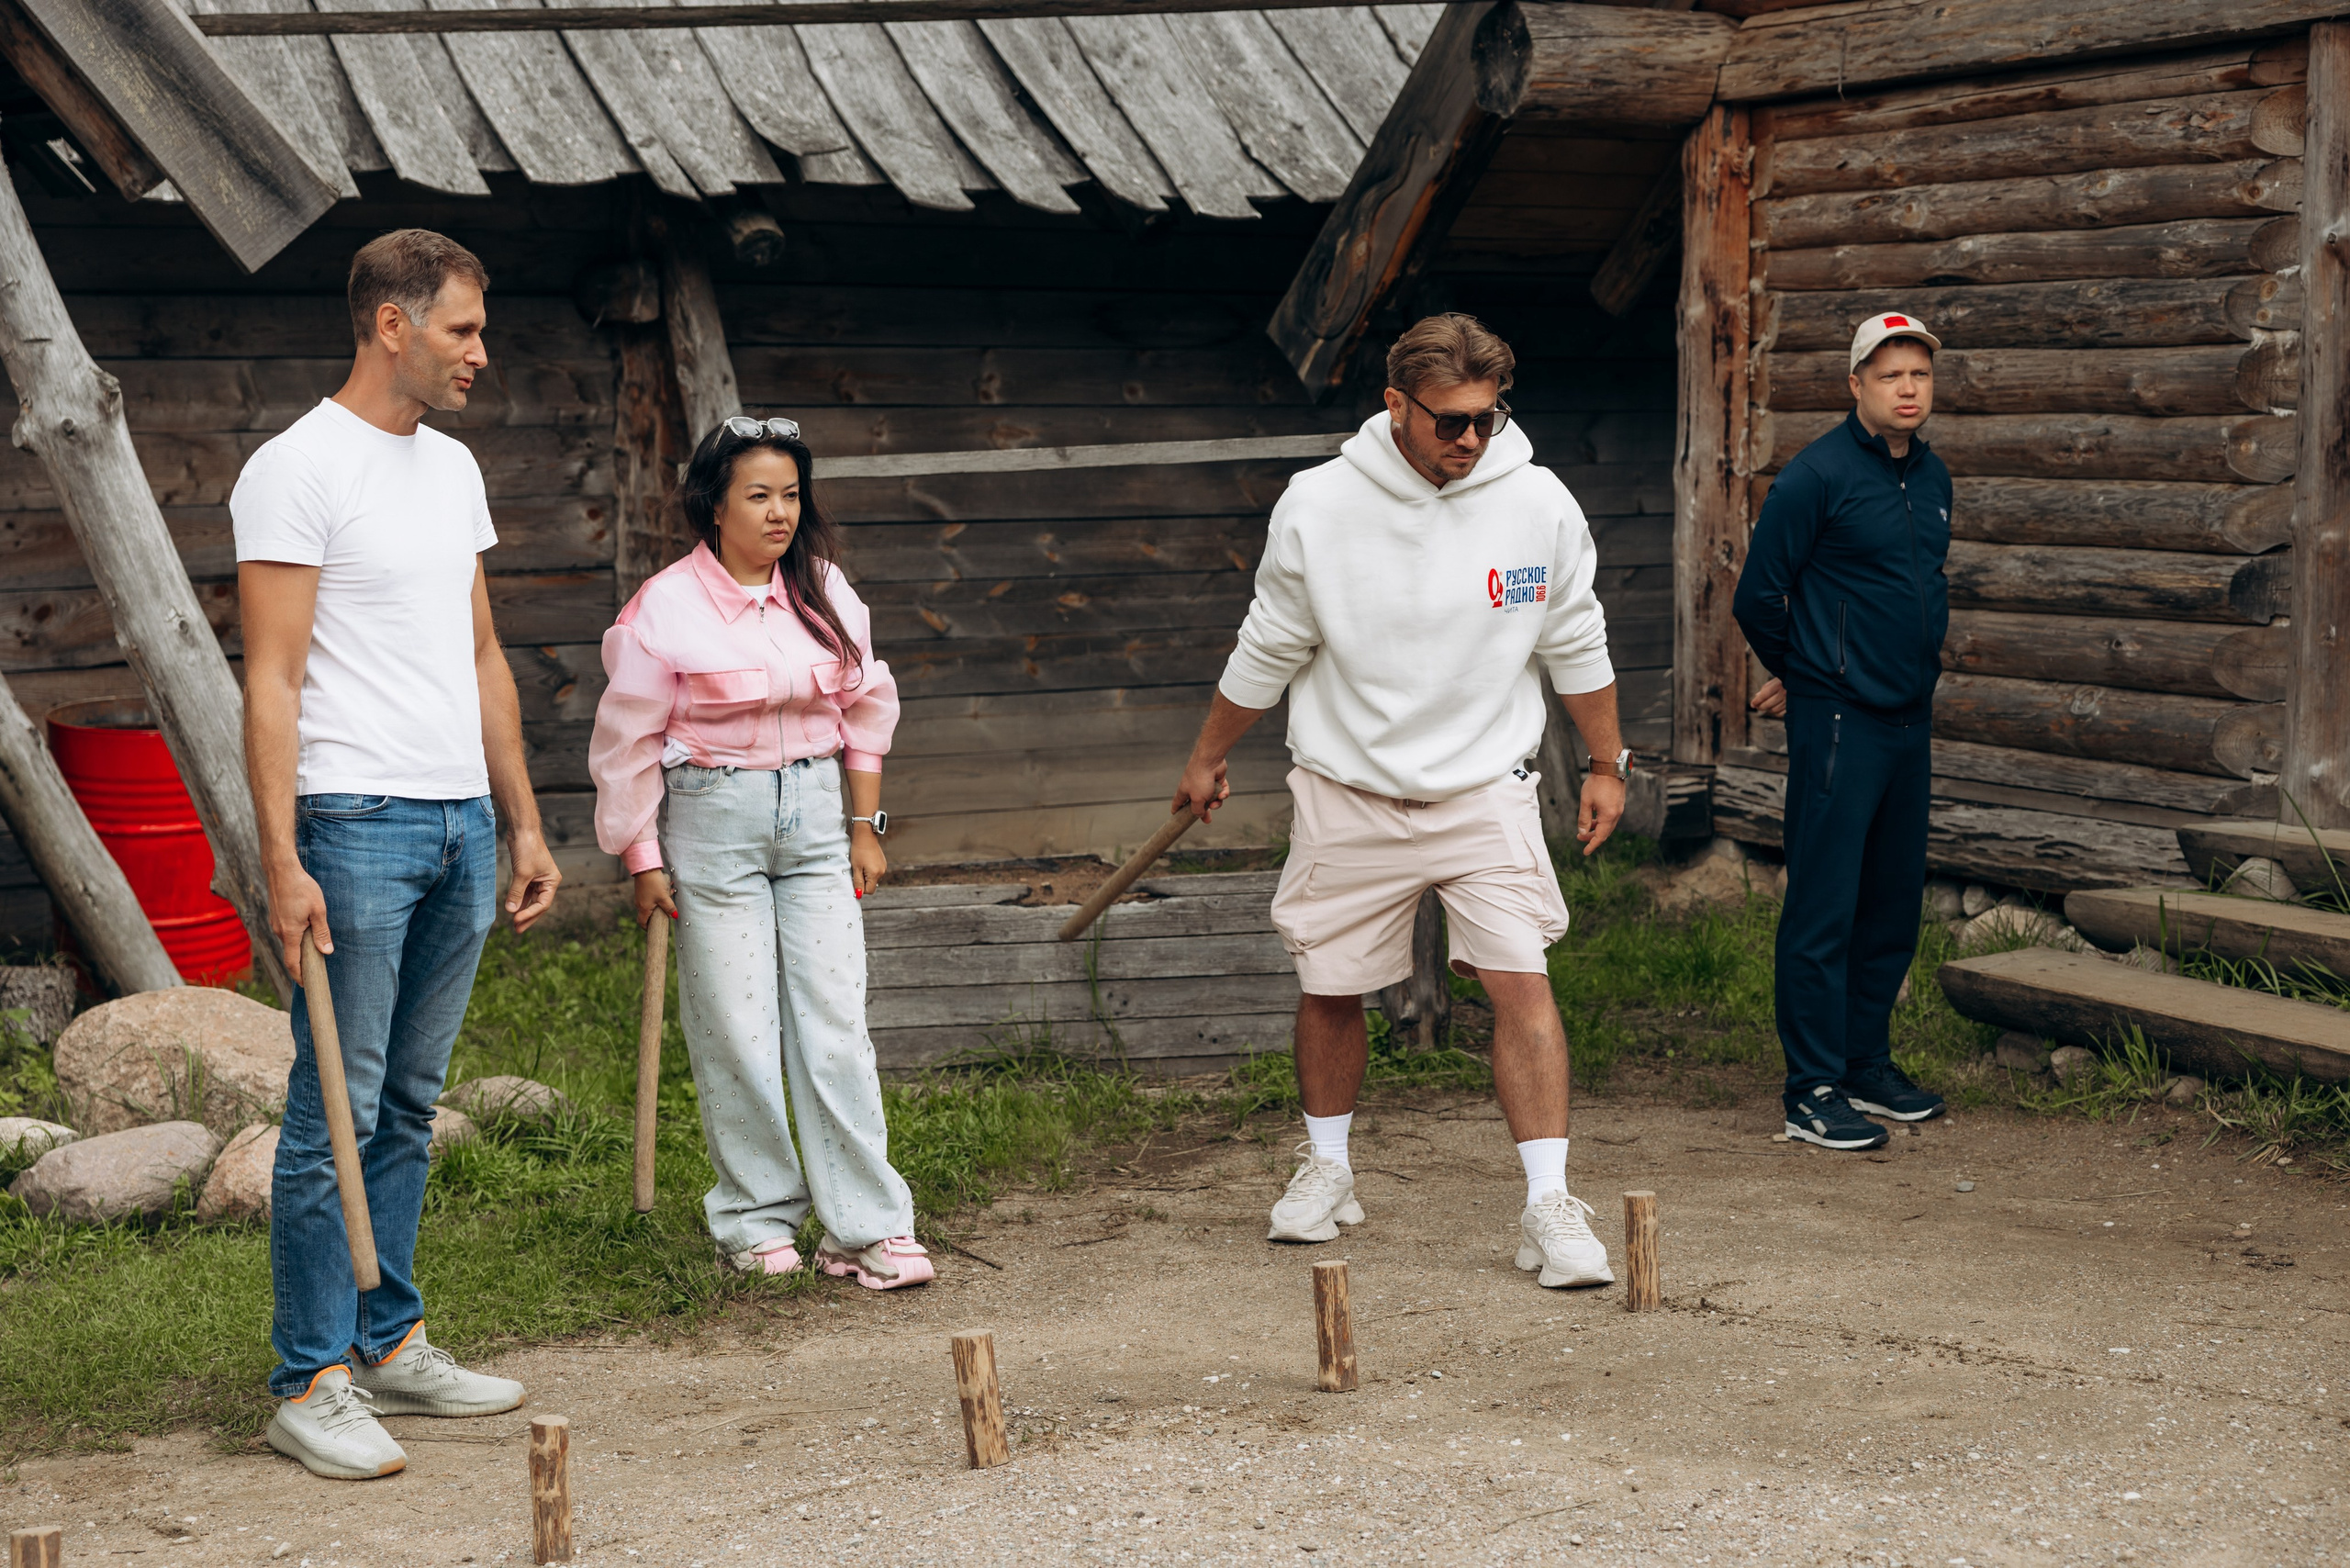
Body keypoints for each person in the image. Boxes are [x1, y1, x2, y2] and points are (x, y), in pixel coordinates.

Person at [1171, 314, 1626, 1289]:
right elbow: (1270, 642)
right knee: (1331, 984)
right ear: (1394, 406)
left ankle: (1548, 1203)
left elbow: (1575, 641)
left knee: (1521, 981)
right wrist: (1210, 754)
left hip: (1486, 787)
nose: (1469, 441)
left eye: (1487, 420)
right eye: (1449, 423)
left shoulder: (1538, 501)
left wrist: (1606, 763)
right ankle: (1327, 1172)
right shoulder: (1318, 505)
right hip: (1349, 787)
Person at [237, 230, 563, 1480]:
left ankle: (389, 1343)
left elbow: (480, 654)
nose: (482, 352)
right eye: (463, 330)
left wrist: (520, 817)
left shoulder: (454, 471)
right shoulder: (295, 471)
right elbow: (267, 675)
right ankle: (308, 1378)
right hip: (352, 823)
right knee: (335, 1111)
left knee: (410, 1105)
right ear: (391, 325)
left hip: (458, 826)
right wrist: (281, 857)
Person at [588, 416, 934, 1293]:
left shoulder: (825, 590)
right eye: (759, 496)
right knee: (736, 1027)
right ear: (713, 505)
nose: (780, 513)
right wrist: (641, 856)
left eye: (790, 495)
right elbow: (627, 741)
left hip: (819, 818)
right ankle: (755, 1216)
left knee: (836, 1023)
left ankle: (868, 1228)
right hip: (711, 822)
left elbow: (866, 710)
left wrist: (868, 827)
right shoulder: (662, 608)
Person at [1732, 311, 1953, 1152]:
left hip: (1908, 721)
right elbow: (1760, 595)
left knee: (1892, 900)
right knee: (1825, 905)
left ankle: (1865, 1064)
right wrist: (1812, 672)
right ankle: (1811, 1088)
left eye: (1919, 375)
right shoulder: (1813, 478)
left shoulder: (1931, 479)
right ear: (1855, 383)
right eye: (1890, 374)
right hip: (1838, 724)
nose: (1907, 388)